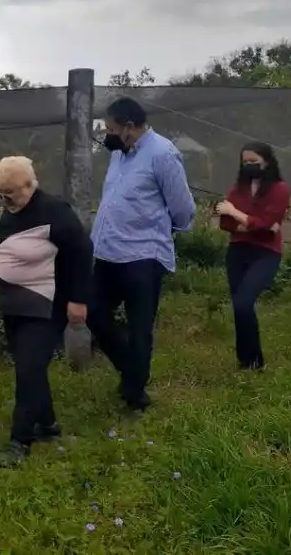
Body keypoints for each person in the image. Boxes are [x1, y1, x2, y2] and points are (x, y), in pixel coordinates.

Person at [88, 96, 195, 412]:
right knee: (94, 312)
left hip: (143, 254)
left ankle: (135, 396)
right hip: (108, 251)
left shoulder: (163, 154)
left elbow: (183, 207)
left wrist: (160, 230)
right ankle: (130, 369)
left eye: (110, 128)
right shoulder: (120, 154)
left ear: (129, 127)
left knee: (139, 326)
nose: (107, 134)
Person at [0, 156, 91, 468]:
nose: (6, 201)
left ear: (30, 185)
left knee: (28, 370)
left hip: (46, 304)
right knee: (27, 365)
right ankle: (47, 426)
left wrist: (78, 299)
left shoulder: (54, 211)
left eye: (11, 194)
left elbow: (82, 252)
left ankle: (20, 441)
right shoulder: (10, 212)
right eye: (0, 195)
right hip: (15, 304)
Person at [216, 142, 291, 370]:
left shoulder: (280, 189)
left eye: (254, 162)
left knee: (244, 301)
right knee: (240, 307)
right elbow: (225, 223)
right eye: (245, 162)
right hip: (238, 251)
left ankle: (256, 362)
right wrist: (254, 225)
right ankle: (245, 359)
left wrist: (235, 213)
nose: (249, 166)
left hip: (266, 253)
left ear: (266, 161)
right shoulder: (238, 189)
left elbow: (266, 223)